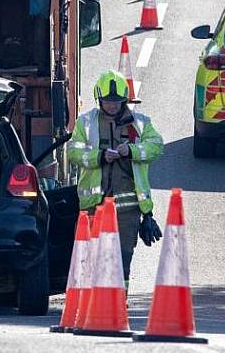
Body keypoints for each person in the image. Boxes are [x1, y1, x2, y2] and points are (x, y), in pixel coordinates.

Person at [69, 70, 163, 293]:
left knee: (123, 257)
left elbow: (156, 146)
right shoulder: (86, 123)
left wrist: (130, 150)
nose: (112, 106)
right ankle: (92, 301)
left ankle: (120, 301)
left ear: (124, 100)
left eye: (117, 102)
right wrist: (100, 156)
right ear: (99, 99)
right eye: (107, 102)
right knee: (92, 255)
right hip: (94, 205)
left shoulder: (140, 123)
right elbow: (73, 151)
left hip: (127, 209)